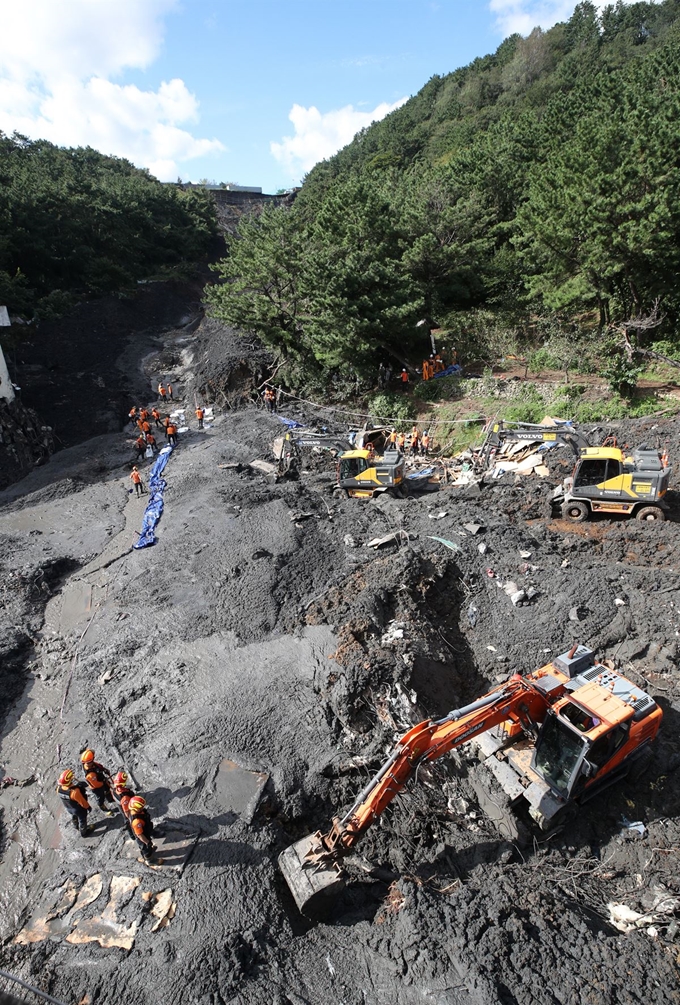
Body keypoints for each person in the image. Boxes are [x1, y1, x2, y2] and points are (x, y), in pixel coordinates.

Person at [57, 769, 92, 837]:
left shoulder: (59, 789)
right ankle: (84, 833)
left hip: (69, 808)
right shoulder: (75, 792)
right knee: (82, 820)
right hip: (78, 809)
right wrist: (88, 807)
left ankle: (75, 825)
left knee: (74, 816)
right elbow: (82, 802)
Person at [80, 750, 115, 815]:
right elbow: (96, 784)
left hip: (100, 779)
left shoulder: (90, 764)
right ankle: (102, 806)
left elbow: (96, 765)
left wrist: (104, 769)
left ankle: (110, 799)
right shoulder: (90, 775)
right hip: (97, 787)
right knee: (100, 797)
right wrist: (103, 781)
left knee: (107, 789)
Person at [129, 796, 156, 861]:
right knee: (145, 849)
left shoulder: (138, 811)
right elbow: (140, 835)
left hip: (145, 831)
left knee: (148, 846)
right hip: (142, 837)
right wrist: (147, 842)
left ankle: (150, 850)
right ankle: (150, 860)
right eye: (141, 807)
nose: (142, 808)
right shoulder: (136, 821)